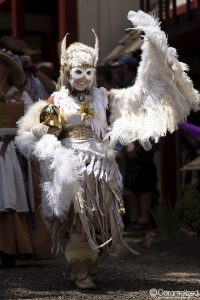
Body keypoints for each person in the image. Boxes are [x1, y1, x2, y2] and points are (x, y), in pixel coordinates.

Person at [16, 10, 199, 289]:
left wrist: (153, 50)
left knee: (98, 222)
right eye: (78, 71)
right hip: (72, 166)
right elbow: (46, 131)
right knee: (78, 221)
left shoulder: (105, 96)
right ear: (67, 71)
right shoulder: (58, 99)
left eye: (89, 71)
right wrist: (42, 131)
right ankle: (80, 269)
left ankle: (88, 263)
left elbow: (140, 95)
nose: (84, 77)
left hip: (102, 169)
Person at [0, 49, 34, 267]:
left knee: (9, 197)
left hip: (10, 150)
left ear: (7, 69)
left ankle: (10, 248)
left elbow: (32, 122)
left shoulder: (19, 95)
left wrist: (13, 137)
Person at [0, 36, 56, 101]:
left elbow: (55, 91)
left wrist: (33, 68)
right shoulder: (4, 79)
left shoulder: (33, 80)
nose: (15, 59)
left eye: (17, 55)